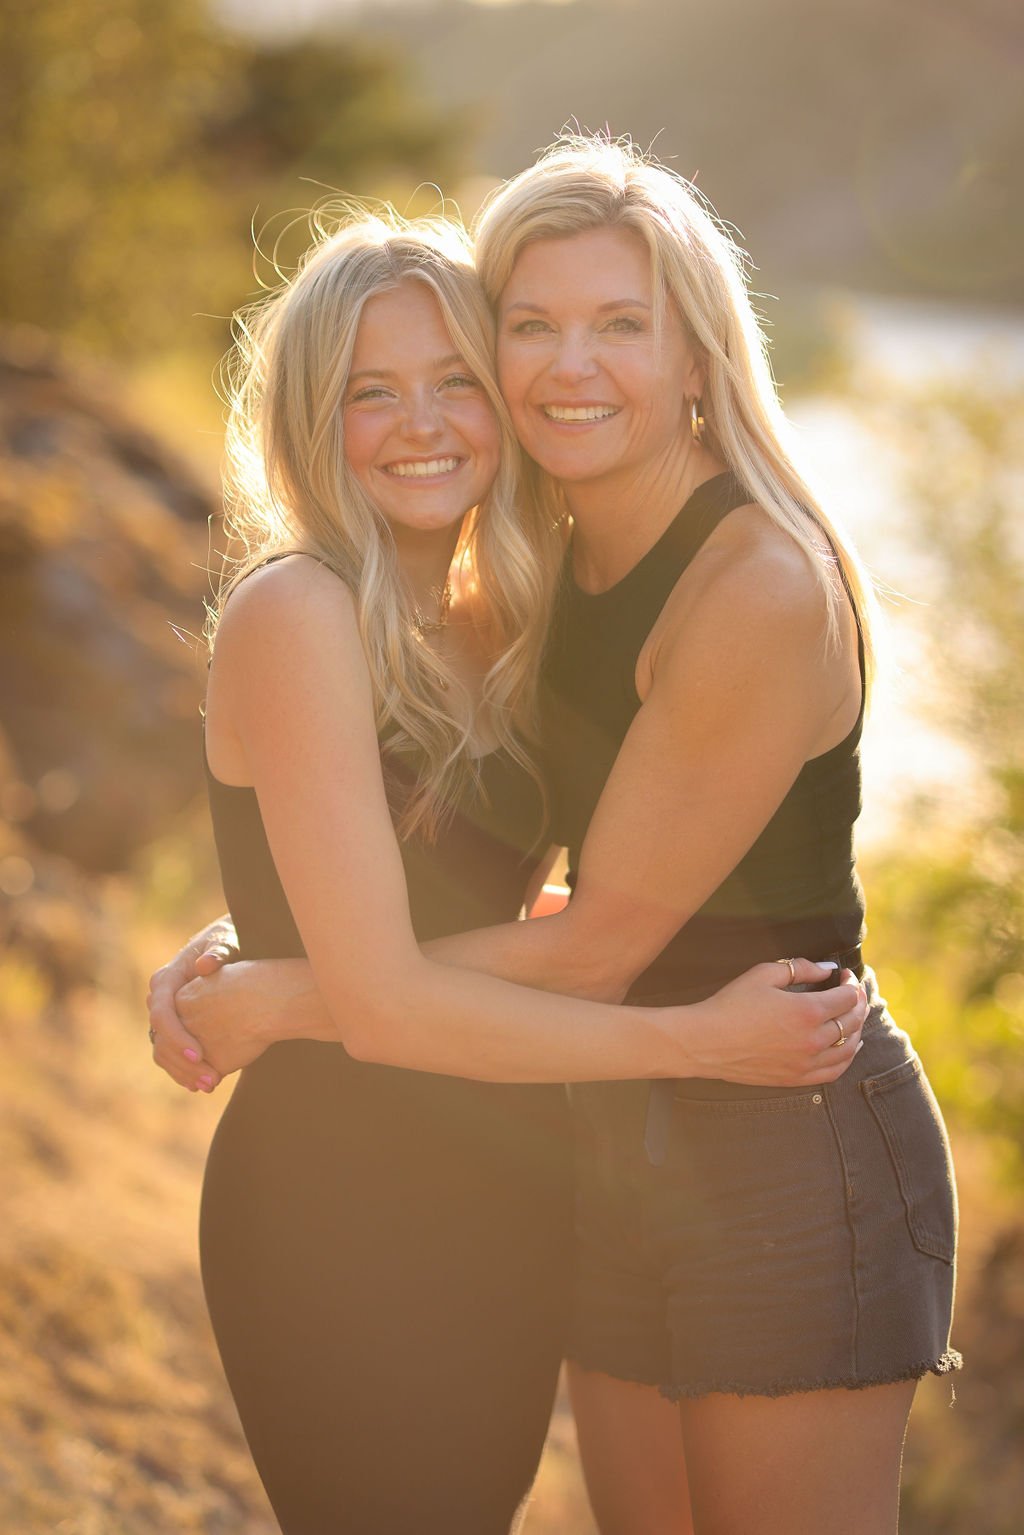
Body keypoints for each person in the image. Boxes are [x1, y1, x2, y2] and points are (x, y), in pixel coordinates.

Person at [153, 200, 869, 1535]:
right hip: (341, 1189)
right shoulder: (296, 611)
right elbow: (379, 997)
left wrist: (264, 970)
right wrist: (705, 1043)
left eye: (455, 384)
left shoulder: (497, 619)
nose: (422, 423)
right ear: (314, 417)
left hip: (509, 1171)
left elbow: (421, 907)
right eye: (373, 393)